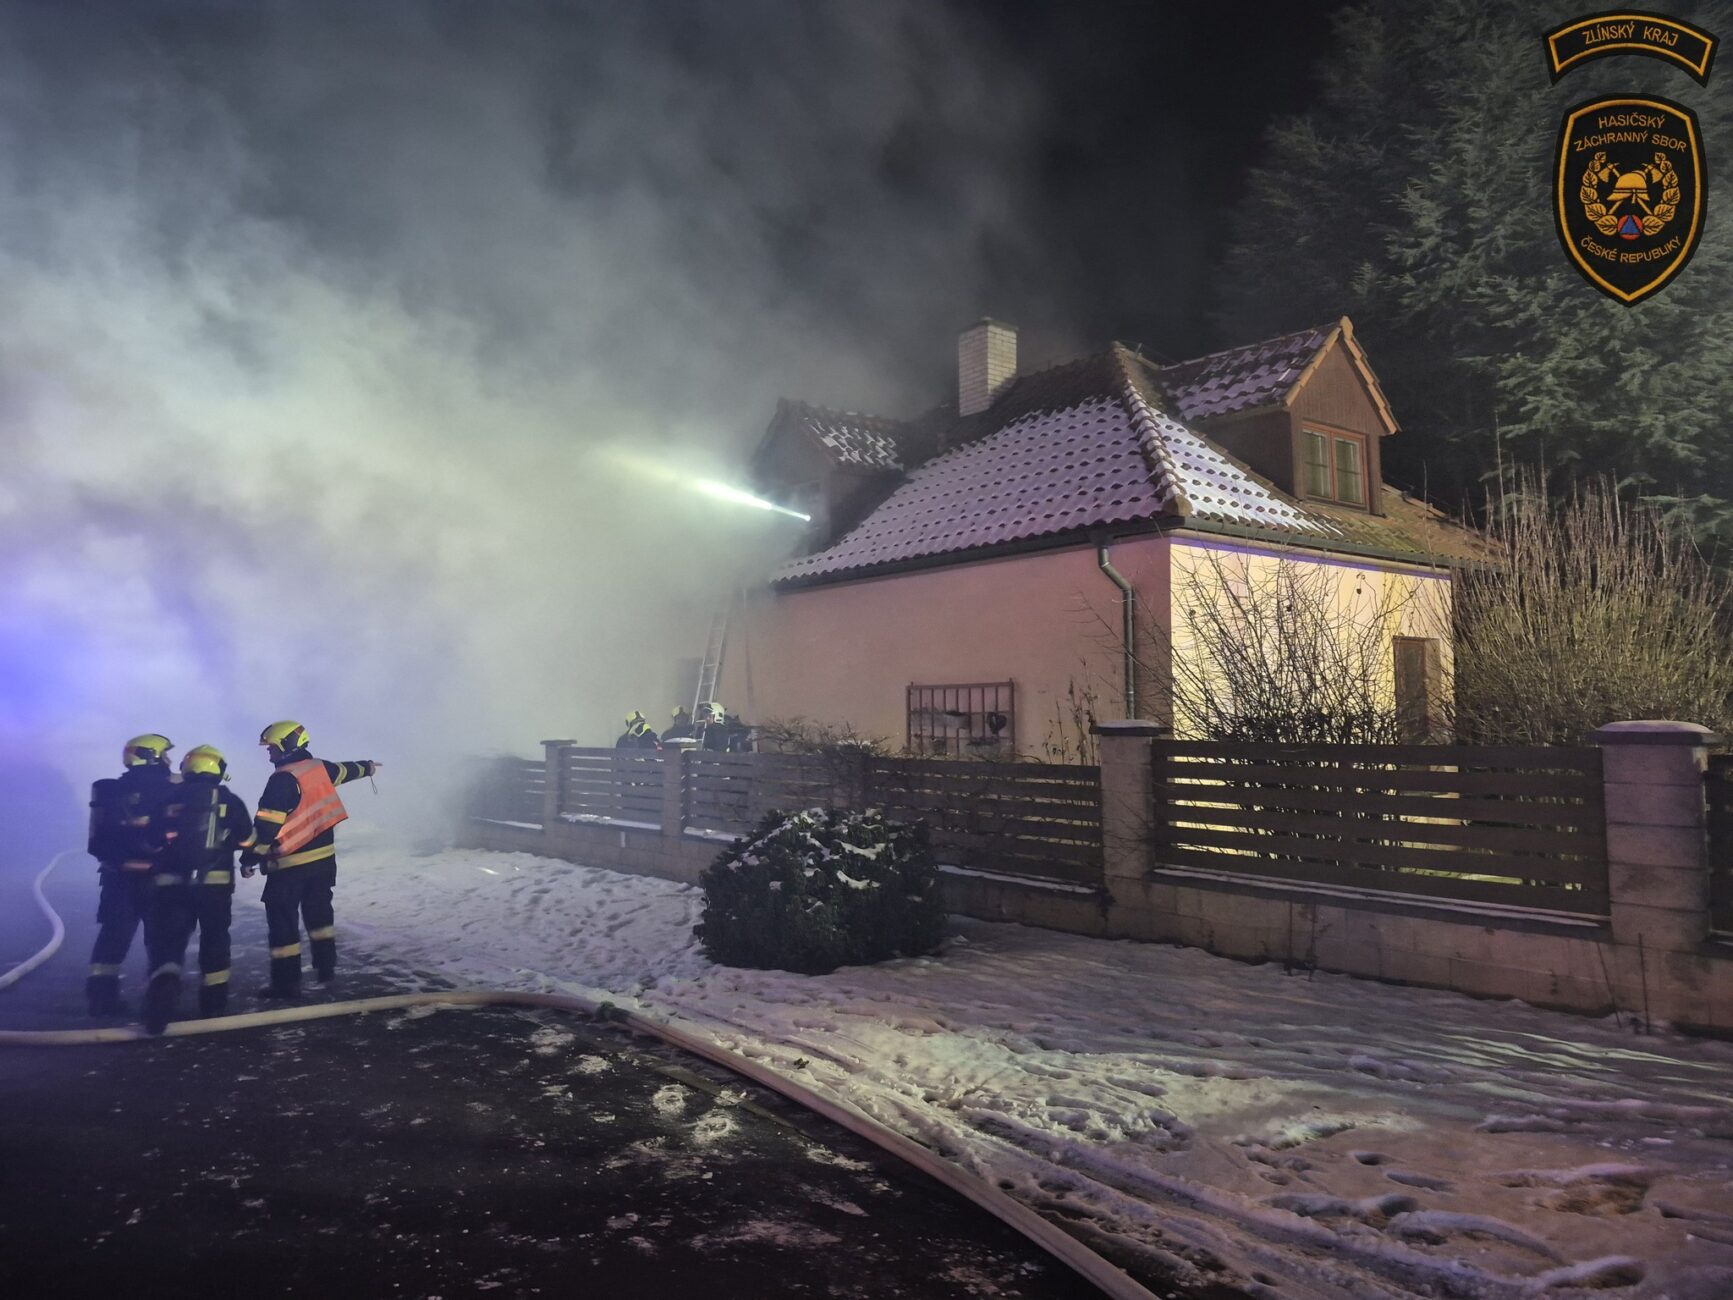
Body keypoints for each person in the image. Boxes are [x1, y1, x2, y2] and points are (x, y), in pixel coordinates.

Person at [243, 720, 379, 1000]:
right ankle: (326, 970)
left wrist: (249, 858)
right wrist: (367, 767)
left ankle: (286, 984)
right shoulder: (319, 768)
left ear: (288, 746)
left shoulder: (282, 780)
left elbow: (266, 826)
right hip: (323, 863)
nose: (269, 753)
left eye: (271, 747)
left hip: (289, 867)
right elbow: (345, 770)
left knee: (283, 925)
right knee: (320, 918)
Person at [139, 745, 255, 1034]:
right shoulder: (229, 800)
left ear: (187, 768)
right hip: (214, 885)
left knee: (170, 939)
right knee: (215, 938)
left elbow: (151, 842)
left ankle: (165, 981)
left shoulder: (168, 799)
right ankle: (214, 1001)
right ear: (218, 770)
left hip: (171, 885)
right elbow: (247, 839)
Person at [85, 733, 178, 1016]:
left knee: (112, 938)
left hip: (117, 879)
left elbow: (97, 843)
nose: (168, 760)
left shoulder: (111, 791)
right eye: (164, 754)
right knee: (161, 941)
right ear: (152, 756)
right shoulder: (174, 789)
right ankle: (159, 1002)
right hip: (160, 880)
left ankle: (101, 1000)